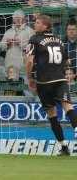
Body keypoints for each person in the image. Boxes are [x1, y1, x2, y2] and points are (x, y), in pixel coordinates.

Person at [26, 14, 77, 156]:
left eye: (37, 22)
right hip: (60, 80)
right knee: (68, 106)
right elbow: (67, 62)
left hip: (44, 82)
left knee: (52, 114)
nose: (34, 25)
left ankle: (63, 146)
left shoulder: (35, 39)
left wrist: (29, 77)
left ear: (45, 26)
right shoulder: (59, 40)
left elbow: (29, 61)